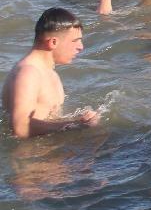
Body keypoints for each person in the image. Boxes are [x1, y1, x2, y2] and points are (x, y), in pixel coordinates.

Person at [3, 8, 99, 138]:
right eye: (75, 40)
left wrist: (81, 119)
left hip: (46, 150)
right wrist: (73, 125)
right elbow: (20, 127)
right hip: (32, 156)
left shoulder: (48, 72)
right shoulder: (28, 73)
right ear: (53, 42)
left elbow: (46, 118)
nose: (81, 47)